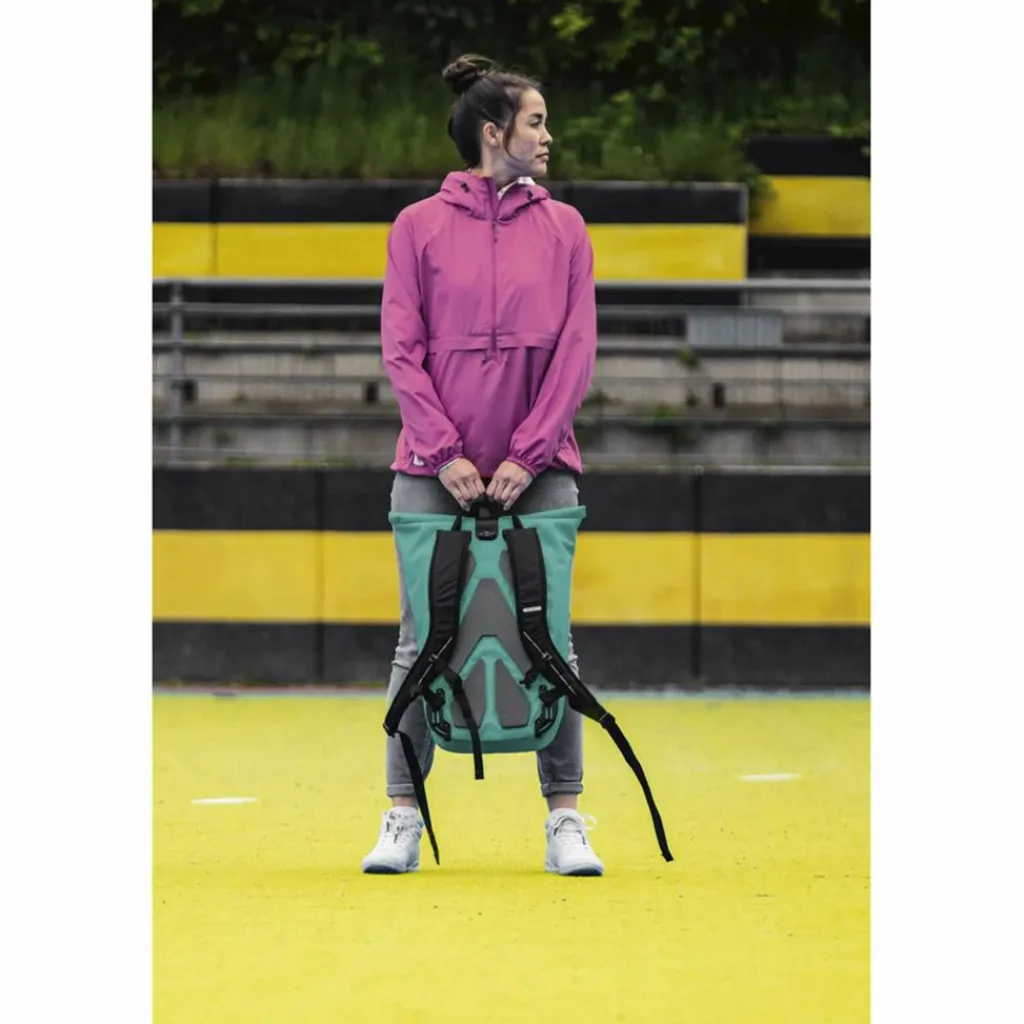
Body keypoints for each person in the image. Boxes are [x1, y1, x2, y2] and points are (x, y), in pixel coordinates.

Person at [362, 54, 602, 877]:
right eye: (537, 122)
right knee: (420, 639)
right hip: (433, 470)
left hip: (542, 467)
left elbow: (576, 350)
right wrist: (443, 453)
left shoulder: (566, 228)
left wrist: (529, 455)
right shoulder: (415, 227)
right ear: (494, 133)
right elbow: (402, 349)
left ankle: (565, 818)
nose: (549, 136)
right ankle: (403, 816)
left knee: (553, 637)